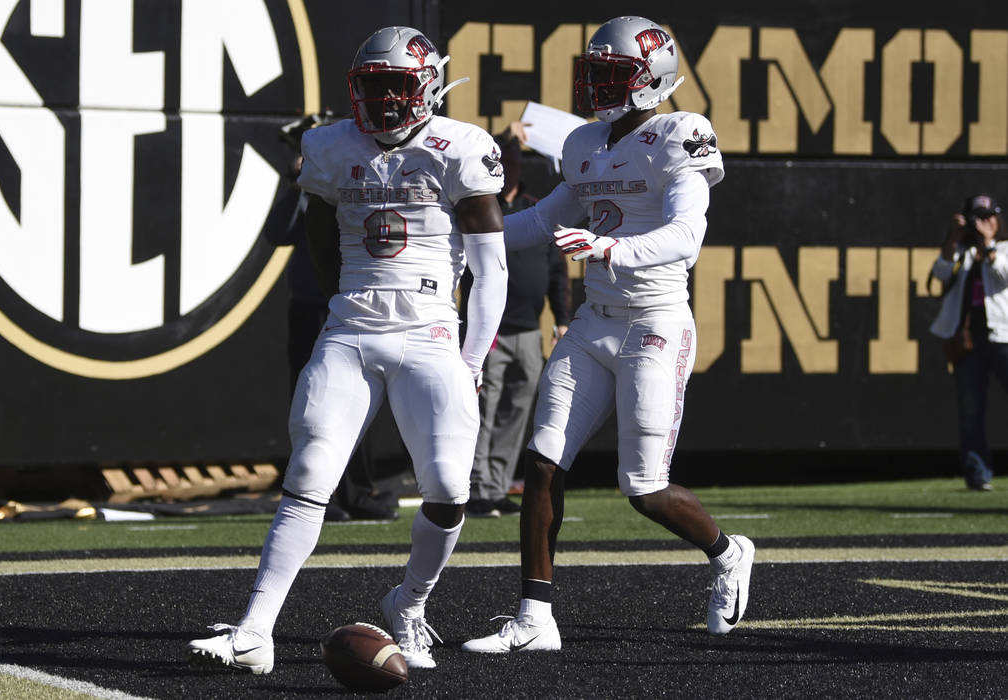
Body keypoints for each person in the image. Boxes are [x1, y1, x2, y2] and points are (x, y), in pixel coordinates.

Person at [189, 25, 507, 671]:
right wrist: (348, 301)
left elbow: (491, 268)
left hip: (429, 333)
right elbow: (321, 240)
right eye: (373, 87)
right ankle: (255, 632)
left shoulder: (461, 147)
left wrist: (471, 359)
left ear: (427, 86)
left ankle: (410, 603)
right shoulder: (330, 145)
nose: (385, 102)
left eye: (397, 87)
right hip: (353, 330)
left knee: (448, 490)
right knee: (309, 474)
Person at [461, 16, 755, 654]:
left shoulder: (681, 133)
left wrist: (610, 246)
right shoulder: (584, 142)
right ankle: (534, 618)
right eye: (592, 71)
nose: (595, 85)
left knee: (643, 488)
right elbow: (541, 219)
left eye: (610, 74)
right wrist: (463, 237)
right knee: (541, 465)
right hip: (595, 322)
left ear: (652, 80)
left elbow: (687, 235)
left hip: (654, 322)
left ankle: (729, 552)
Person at [270, 114, 400, 523]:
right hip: (312, 306)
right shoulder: (309, 188)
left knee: (356, 402)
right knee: (315, 404)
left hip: (349, 304)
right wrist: (295, 181)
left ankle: (357, 492)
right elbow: (277, 232)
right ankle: (319, 495)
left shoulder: (349, 181)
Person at [461, 126, 571, 518]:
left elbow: (558, 270)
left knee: (517, 409)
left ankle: (496, 484)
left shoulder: (533, 206)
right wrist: (502, 135)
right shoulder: (479, 204)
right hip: (489, 330)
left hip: (528, 329)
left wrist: (561, 319)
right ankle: (474, 487)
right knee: (483, 409)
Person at [929, 194, 1008, 491]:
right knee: (971, 409)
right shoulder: (961, 251)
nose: (985, 223)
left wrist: (988, 245)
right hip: (968, 341)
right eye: (978, 218)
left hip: (1003, 336)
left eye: (989, 217)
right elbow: (939, 273)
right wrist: (952, 237)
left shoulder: (1003, 249)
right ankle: (978, 474)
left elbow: (1004, 274)